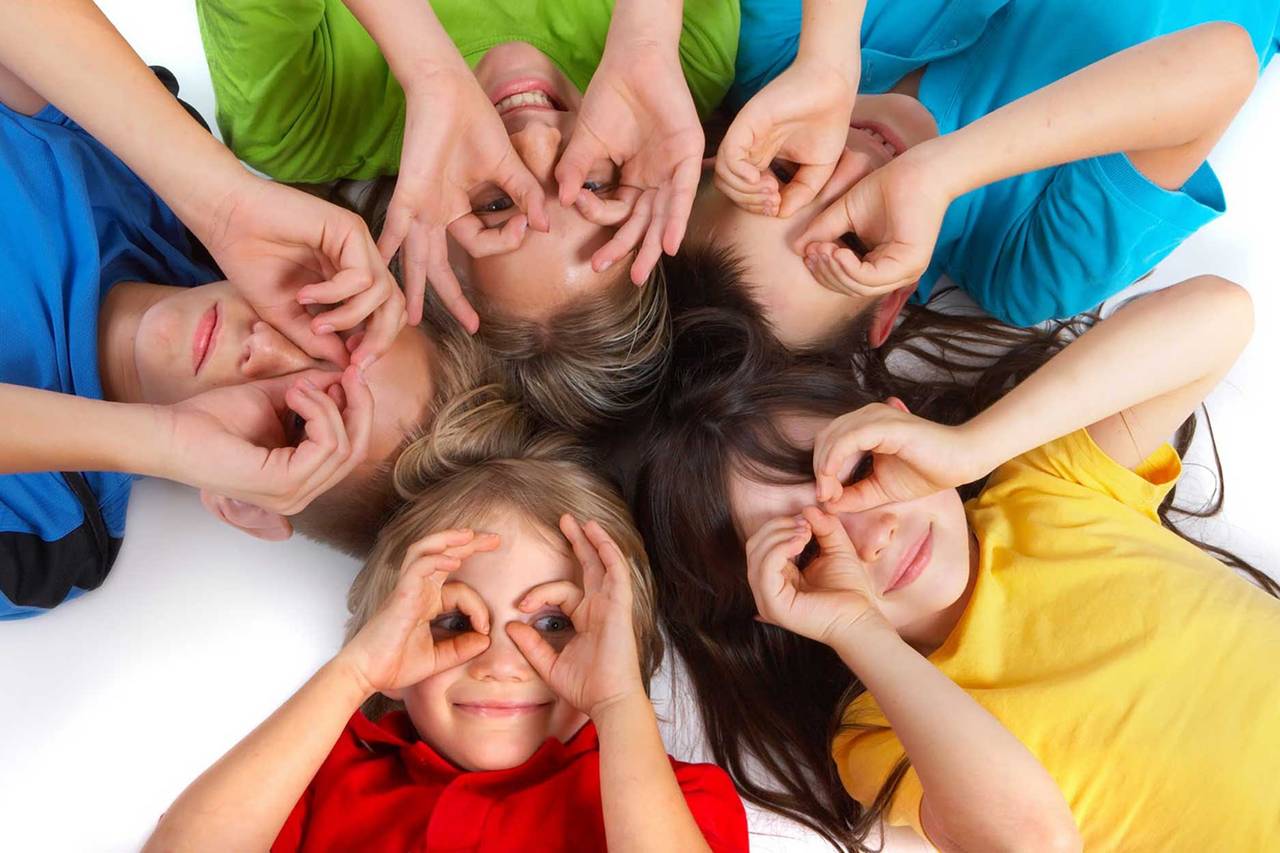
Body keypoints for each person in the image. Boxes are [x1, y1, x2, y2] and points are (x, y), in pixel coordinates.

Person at [628, 268, 1280, 847]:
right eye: (806, 544)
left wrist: (972, 446)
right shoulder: (883, 730)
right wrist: (855, 627)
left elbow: (1222, 313)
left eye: (858, 468)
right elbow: (1035, 838)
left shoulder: (1049, 484)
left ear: (896, 423)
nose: (872, 532)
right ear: (778, 602)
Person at [145, 386, 749, 852]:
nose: (500, 663)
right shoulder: (326, 777)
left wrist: (618, 703)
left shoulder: (675, 801)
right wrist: (355, 672)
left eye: (552, 624)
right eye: (454, 622)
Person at [194, 0, 738, 433]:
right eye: (590, 182)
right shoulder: (674, 75)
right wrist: (647, 32)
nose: (537, 139)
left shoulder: (298, 119)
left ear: (417, 245)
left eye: (497, 203)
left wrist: (429, 69)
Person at [697, 3, 1278, 347]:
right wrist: (943, 169)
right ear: (887, 304)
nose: (855, 166)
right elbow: (1225, 62)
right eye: (850, 239)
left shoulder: (781, 59)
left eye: (786, 173)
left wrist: (826, 56)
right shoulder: (1026, 267)